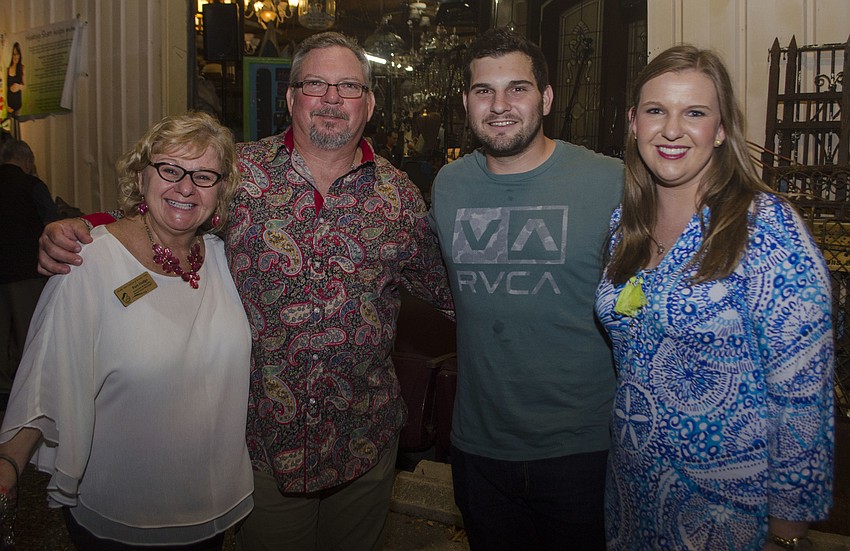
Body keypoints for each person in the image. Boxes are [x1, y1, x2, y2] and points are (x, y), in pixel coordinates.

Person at [37, 32, 453, 551]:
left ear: (368, 103)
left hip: (364, 441)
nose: (330, 98)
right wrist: (85, 226)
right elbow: (163, 218)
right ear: (290, 97)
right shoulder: (241, 174)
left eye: (348, 86)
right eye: (315, 84)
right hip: (260, 448)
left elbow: (450, 290)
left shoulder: (400, 197)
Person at [594, 45, 834, 550]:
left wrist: (789, 530)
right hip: (632, 495)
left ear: (721, 130)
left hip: (728, 513)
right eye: (656, 110)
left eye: (695, 113)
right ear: (634, 122)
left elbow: (801, 391)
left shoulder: (766, 228)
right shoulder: (626, 226)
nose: (672, 129)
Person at [0, 111, 253, 549]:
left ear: (222, 191)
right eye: (170, 169)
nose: (185, 187)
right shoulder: (88, 262)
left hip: (208, 503)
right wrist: (7, 465)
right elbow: (47, 375)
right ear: (141, 178)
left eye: (204, 175)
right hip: (123, 510)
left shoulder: (226, 260)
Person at [428, 28, 622, 550]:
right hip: (478, 448)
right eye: (483, 91)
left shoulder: (611, 181)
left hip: (582, 450)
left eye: (517, 88)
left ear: (547, 97)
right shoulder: (449, 185)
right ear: (467, 101)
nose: (499, 106)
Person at [0, 140, 60, 406]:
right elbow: (53, 223)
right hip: (25, 270)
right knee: (31, 333)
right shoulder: (32, 185)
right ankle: (28, 395)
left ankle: (2, 389)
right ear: (26, 160)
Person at [6, 43, 24, 115]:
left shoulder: (22, 68)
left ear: (20, 55)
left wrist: (18, 86)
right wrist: (6, 105)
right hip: (8, 107)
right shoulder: (7, 69)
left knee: (17, 124)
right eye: (13, 54)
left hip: (18, 106)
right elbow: (5, 88)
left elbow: (25, 86)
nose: (15, 56)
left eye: (17, 54)